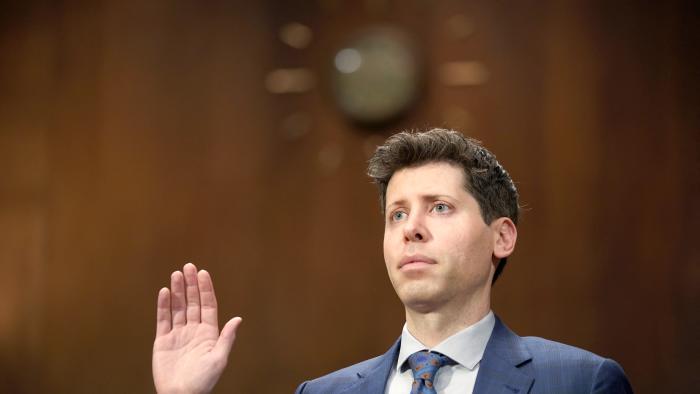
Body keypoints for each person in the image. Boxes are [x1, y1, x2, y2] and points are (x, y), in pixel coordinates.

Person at [152, 128, 633, 393]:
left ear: (501, 236)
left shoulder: (579, 382)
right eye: (397, 213)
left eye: (439, 207)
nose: (411, 228)